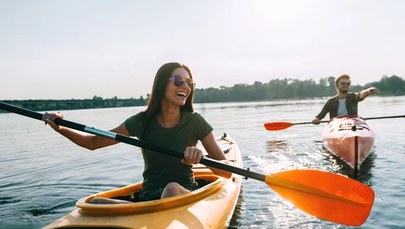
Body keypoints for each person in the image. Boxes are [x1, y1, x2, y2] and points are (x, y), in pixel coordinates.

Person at [42, 62, 231, 204]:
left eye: (190, 83)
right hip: (148, 199)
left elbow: (226, 171)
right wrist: (60, 127)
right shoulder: (141, 122)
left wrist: (202, 156)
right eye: (178, 81)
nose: (186, 87)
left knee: (171, 189)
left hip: (182, 194)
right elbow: (93, 142)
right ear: (161, 85)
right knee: (95, 202)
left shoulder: (195, 122)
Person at [312, 74, 377, 124]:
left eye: (348, 84)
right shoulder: (331, 101)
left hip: (352, 124)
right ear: (337, 86)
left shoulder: (353, 97)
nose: (345, 85)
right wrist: (316, 120)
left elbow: (361, 95)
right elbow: (320, 116)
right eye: (343, 83)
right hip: (336, 125)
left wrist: (368, 91)